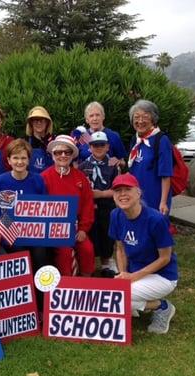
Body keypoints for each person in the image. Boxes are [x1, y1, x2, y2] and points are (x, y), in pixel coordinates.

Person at [108, 173, 178, 334]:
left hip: (163, 276)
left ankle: (163, 307)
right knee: (112, 293)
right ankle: (137, 303)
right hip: (134, 272)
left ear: (138, 193)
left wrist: (132, 278)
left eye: (127, 189)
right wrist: (123, 273)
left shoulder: (156, 220)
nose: (122, 194)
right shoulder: (116, 215)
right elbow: (120, 248)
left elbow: (165, 258)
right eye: (118, 191)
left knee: (119, 298)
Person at [0, 139, 50, 309]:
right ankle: (23, 308)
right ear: (9, 160)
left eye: (23, 158)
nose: (19, 162)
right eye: (16, 158)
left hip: (34, 234)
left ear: (29, 160)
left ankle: (41, 306)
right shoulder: (1, 181)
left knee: (41, 260)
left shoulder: (37, 180)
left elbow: (46, 208)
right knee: (20, 261)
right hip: (11, 235)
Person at [41, 135, 95, 277]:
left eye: (67, 152)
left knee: (87, 249)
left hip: (77, 226)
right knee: (64, 253)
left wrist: (83, 229)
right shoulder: (44, 177)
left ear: (72, 155)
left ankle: (85, 283)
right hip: (54, 228)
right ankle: (66, 284)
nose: (63, 155)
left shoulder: (80, 177)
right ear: (53, 155)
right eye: (58, 152)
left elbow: (87, 205)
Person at [78, 132, 119, 273]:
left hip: (107, 207)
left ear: (107, 146)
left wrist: (100, 194)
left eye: (102, 145)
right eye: (95, 145)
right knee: (92, 234)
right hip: (89, 207)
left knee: (107, 234)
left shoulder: (113, 165)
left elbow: (117, 190)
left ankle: (106, 263)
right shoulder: (83, 166)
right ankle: (90, 263)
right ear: (90, 147)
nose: (99, 147)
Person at [128, 99, 173, 216]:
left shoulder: (161, 140)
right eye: (136, 117)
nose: (140, 121)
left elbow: (166, 175)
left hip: (155, 199)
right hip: (136, 198)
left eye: (145, 117)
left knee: (154, 231)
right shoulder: (135, 140)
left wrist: (163, 202)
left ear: (153, 119)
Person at [78, 101, 127, 166]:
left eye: (97, 115)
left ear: (103, 117)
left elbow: (123, 162)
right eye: (91, 116)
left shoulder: (113, 136)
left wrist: (118, 162)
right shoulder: (81, 137)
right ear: (87, 120)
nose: (95, 118)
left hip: (109, 175)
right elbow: (75, 163)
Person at [24, 106, 55, 173]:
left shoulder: (54, 141)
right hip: (32, 181)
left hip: (50, 181)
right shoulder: (24, 142)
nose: (39, 123)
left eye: (42, 120)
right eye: (36, 120)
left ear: (47, 122)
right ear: (31, 123)